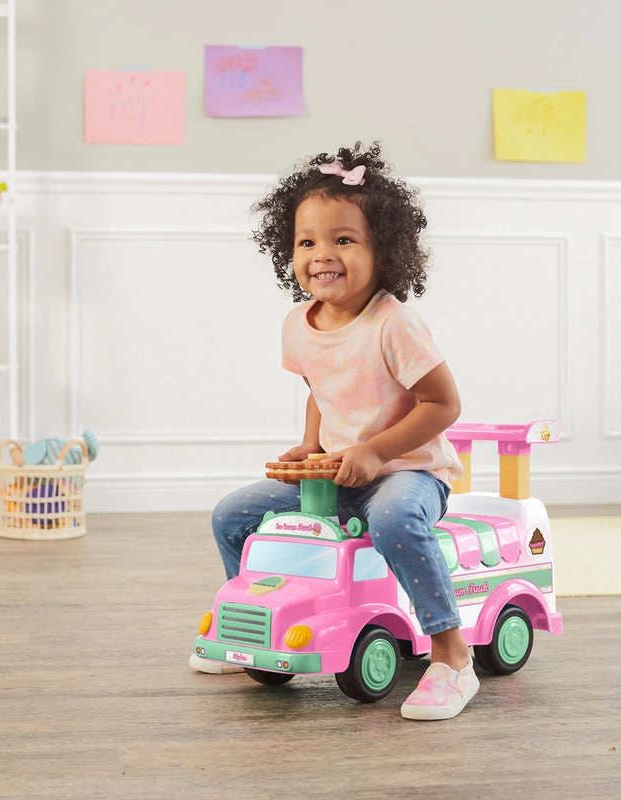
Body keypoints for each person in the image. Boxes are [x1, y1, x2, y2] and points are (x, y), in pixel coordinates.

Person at [193, 142, 478, 721]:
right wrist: (311, 446)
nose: (323, 254)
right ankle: (255, 624)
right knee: (232, 514)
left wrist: (375, 452)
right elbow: (320, 391)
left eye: (343, 239)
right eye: (308, 241)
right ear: (289, 251)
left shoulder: (394, 323)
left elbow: (443, 403)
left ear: (384, 251)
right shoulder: (299, 324)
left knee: (392, 518)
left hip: (411, 472)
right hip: (338, 472)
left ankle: (452, 655)